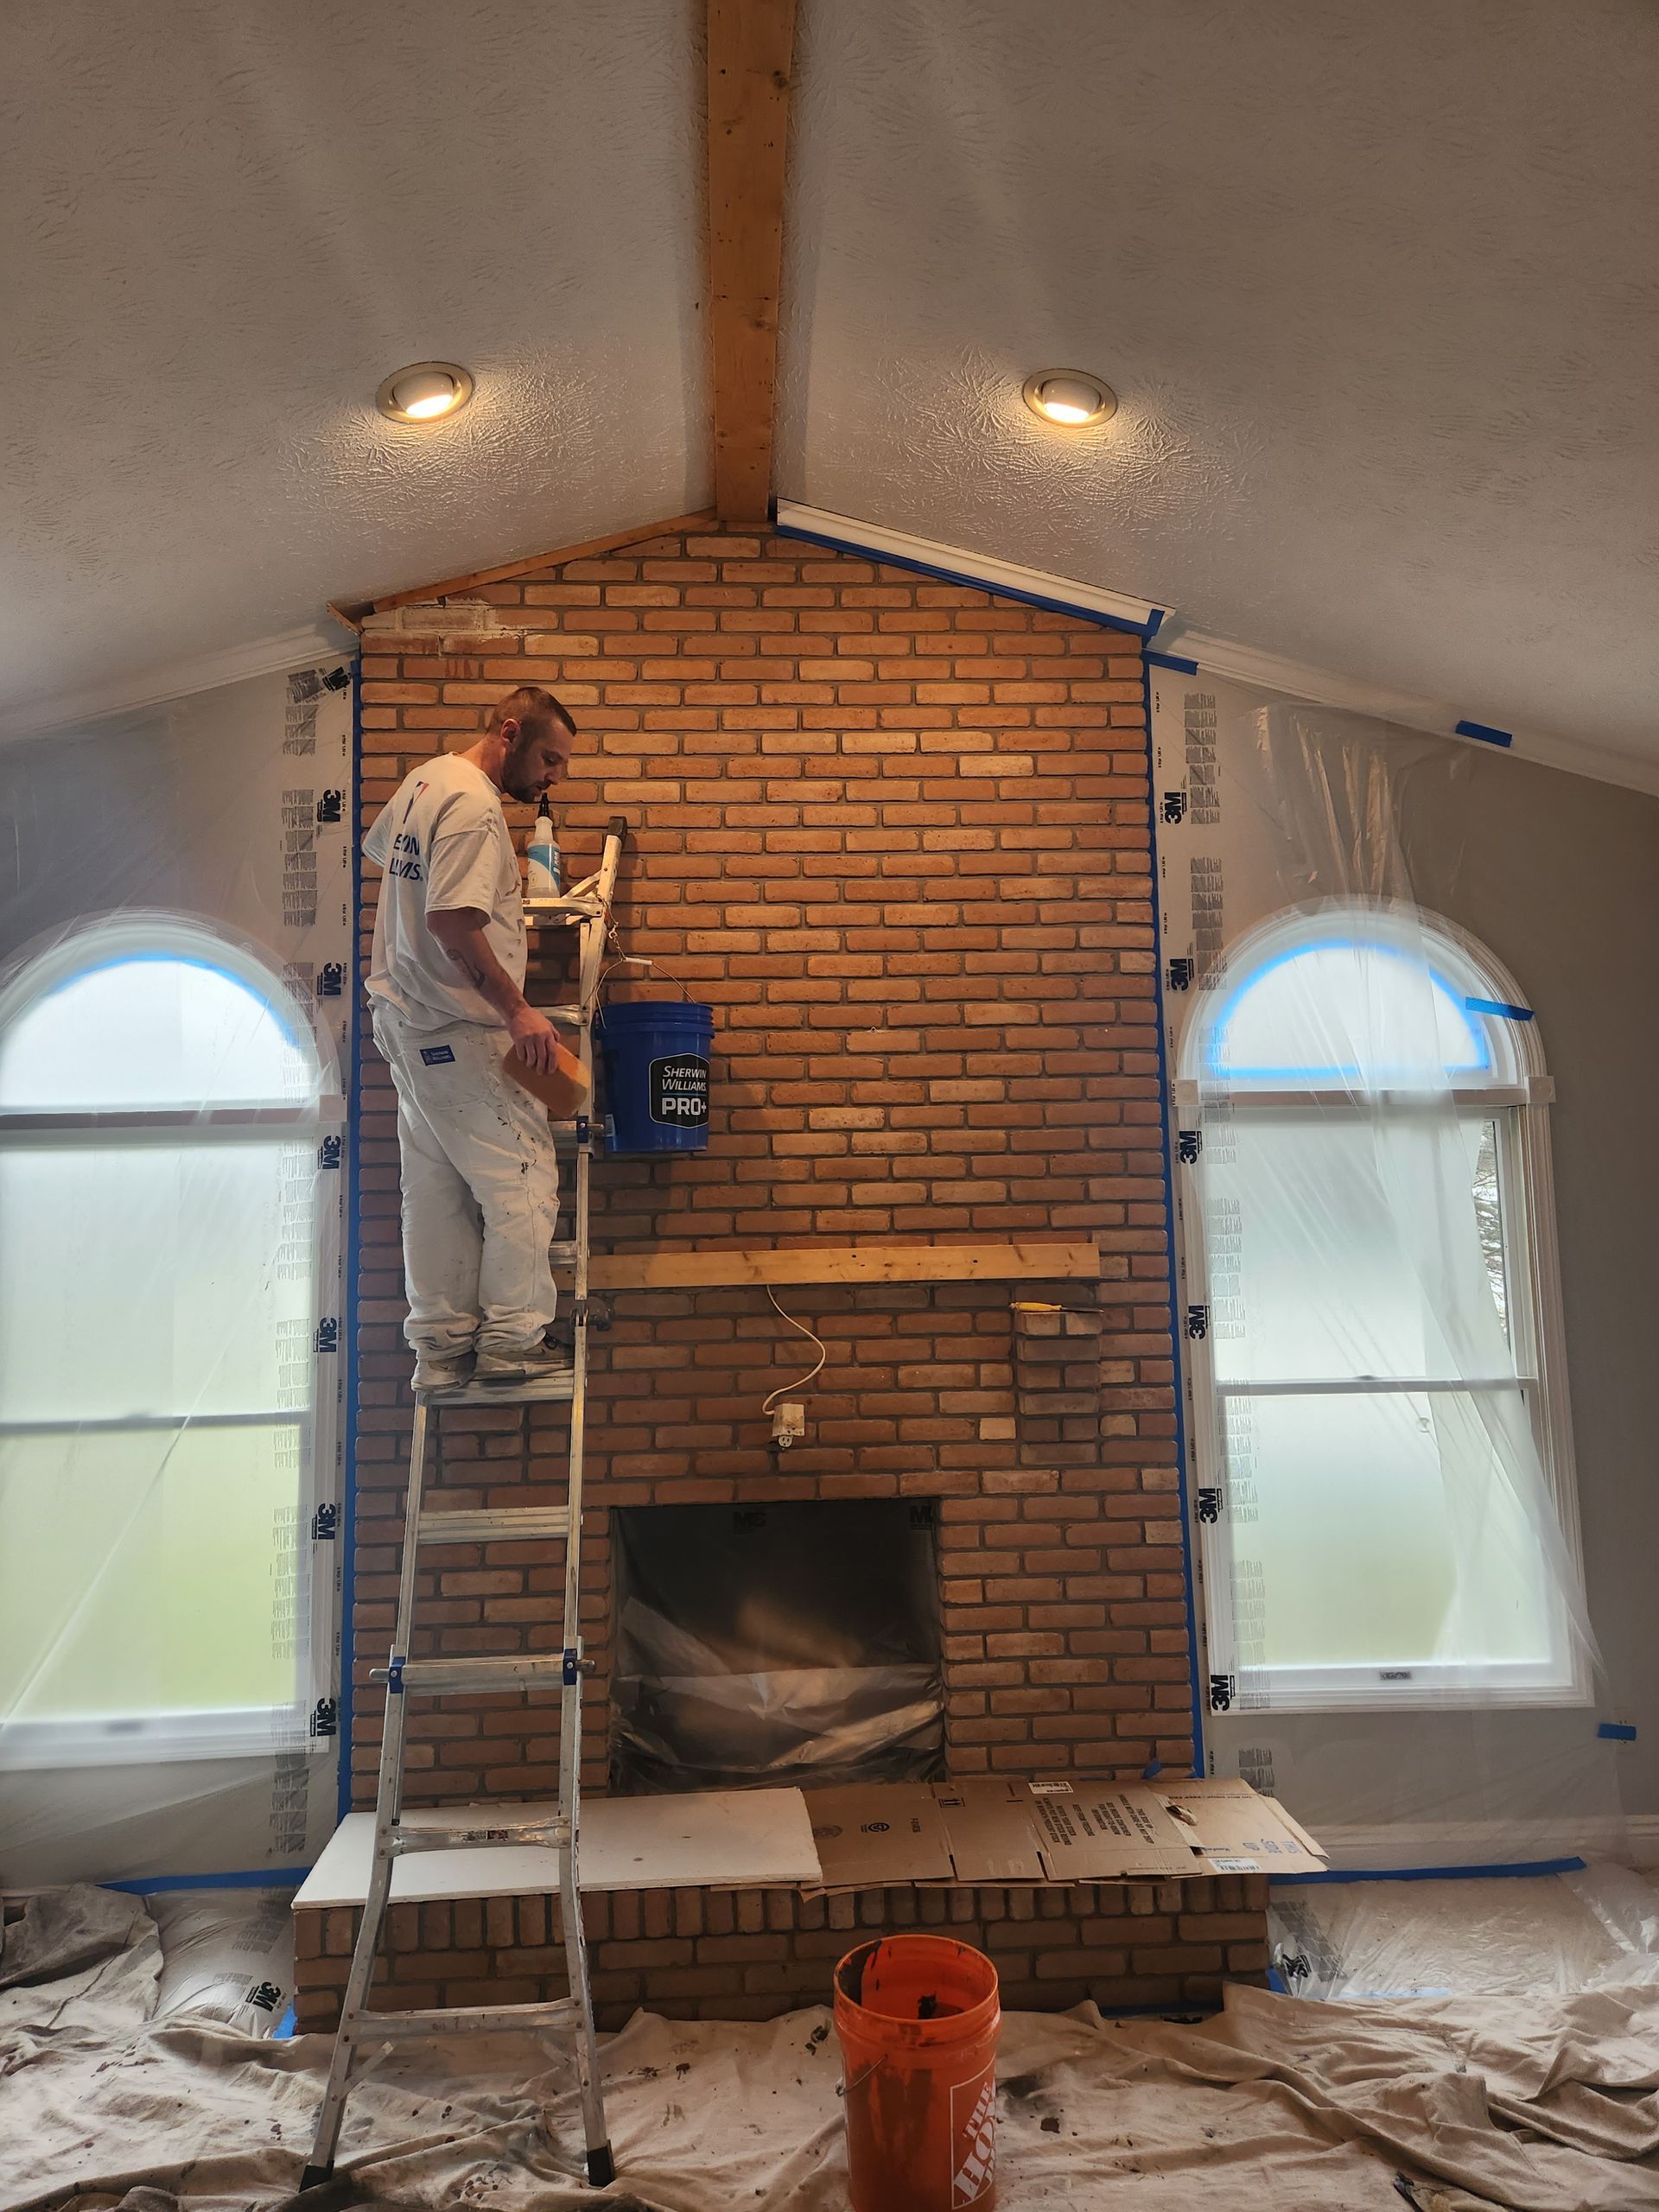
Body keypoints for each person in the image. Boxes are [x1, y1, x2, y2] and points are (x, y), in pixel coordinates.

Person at [363, 686, 576, 1390]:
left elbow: (388, 864)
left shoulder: (424, 781)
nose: (555, 776)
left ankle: (443, 1344)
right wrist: (518, 1010)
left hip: (404, 1022)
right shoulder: (476, 805)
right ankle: (512, 1339)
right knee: (523, 1181)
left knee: (435, 1187)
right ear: (509, 732)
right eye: (549, 758)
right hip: (456, 1027)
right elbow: (452, 922)